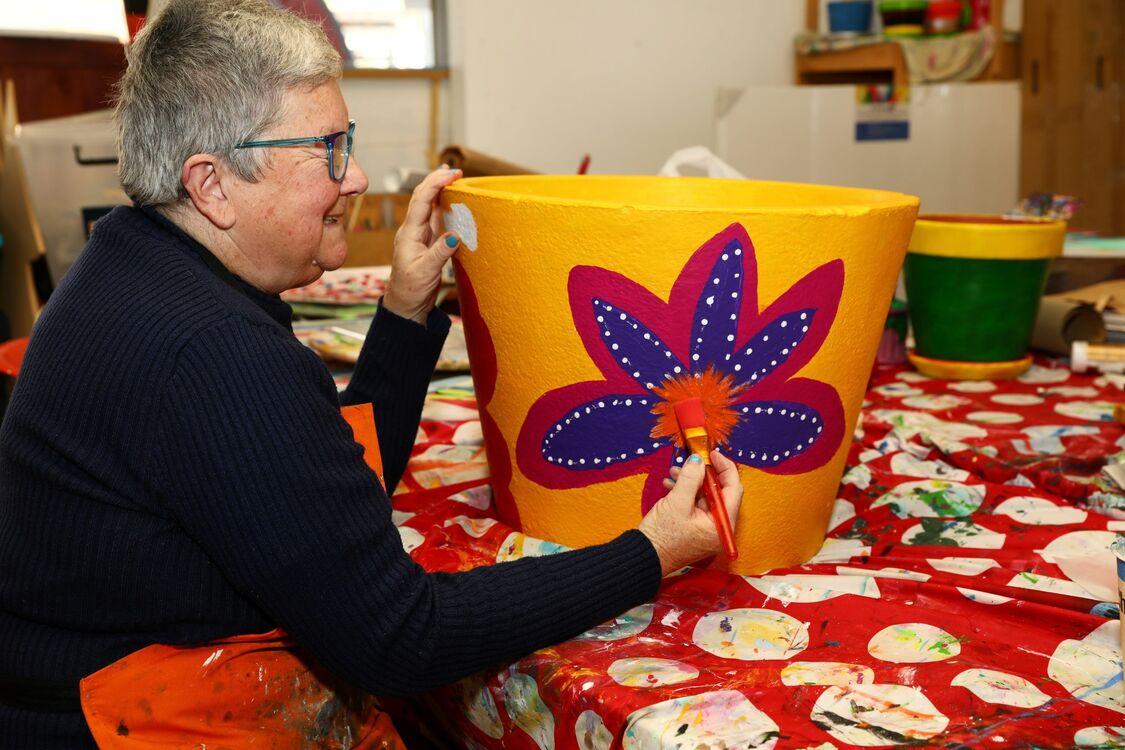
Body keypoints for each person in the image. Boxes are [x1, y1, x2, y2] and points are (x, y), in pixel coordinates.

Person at [0, 0, 742, 746]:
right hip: (109, 720)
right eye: (326, 149)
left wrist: (404, 312)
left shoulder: (133, 260)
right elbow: (398, 638)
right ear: (212, 185)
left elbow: (316, 496)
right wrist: (651, 551)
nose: (353, 176)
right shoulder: (213, 352)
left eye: (344, 140)